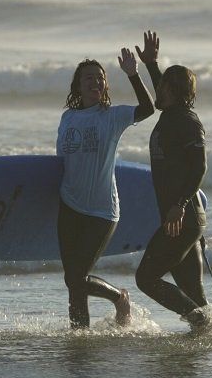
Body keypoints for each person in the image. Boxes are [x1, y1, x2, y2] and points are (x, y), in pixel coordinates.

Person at [56, 49, 154, 329]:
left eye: (100, 78)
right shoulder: (68, 118)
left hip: (101, 211)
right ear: (78, 85)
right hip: (69, 205)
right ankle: (80, 336)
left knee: (77, 277)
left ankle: (119, 298)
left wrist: (133, 75)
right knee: (73, 281)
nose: (95, 82)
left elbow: (148, 109)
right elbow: (61, 162)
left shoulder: (112, 116)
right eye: (89, 78)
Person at [133, 30, 210, 329]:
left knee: (146, 278)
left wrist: (179, 204)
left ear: (174, 93)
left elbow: (200, 167)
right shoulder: (172, 113)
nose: (157, 92)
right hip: (183, 219)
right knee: (194, 294)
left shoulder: (187, 122)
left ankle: (199, 321)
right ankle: (208, 334)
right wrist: (151, 64)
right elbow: (161, 90)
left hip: (183, 218)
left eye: (163, 87)